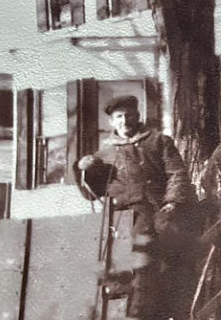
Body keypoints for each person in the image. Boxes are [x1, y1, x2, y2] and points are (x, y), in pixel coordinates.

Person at [77, 95, 199, 319]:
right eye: (119, 117)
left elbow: (177, 173)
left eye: (129, 115)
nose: (125, 121)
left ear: (137, 116)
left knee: (145, 259)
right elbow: (91, 193)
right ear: (112, 122)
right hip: (118, 217)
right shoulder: (104, 153)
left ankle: (142, 312)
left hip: (153, 210)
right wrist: (85, 171)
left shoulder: (158, 141)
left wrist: (172, 202)